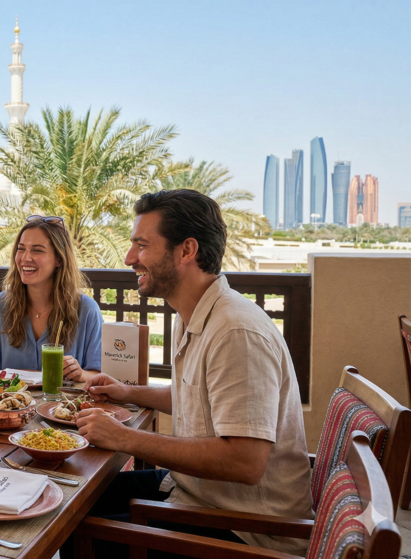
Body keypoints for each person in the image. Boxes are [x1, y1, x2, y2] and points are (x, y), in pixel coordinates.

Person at [65, 190, 312, 558]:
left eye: (142, 245)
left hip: (247, 530)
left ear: (186, 250)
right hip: (198, 494)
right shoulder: (195, 313)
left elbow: (245, 462)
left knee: (75, 527)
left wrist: (123, 438)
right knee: (75, 496)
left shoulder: (235, 332)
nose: (130, 258)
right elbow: (198, 397)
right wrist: (129, 392)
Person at [0, 215, 102, 382]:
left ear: (59, 259)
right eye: (21, 248)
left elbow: (98, 374)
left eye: (37, 250)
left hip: (61, 406)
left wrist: (80, 374)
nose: (25, 258)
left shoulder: (87, 309)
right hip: (10, 405)